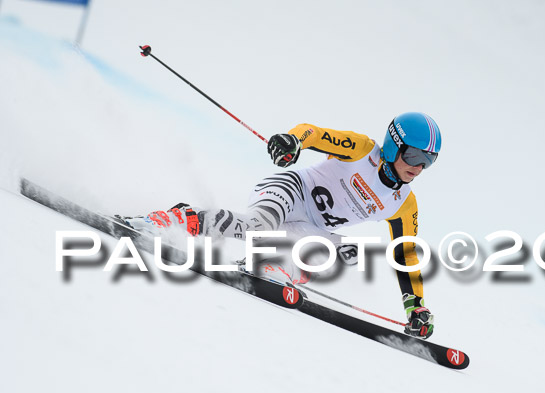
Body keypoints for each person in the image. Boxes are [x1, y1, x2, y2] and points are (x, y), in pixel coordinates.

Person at [124, 112, 441, 339]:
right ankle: (175, 219)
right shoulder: (362, 150)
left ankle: (272, 264)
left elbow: (406, 255)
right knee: (258, 226)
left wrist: (416, 308)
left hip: (310, 228)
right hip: (290, 191)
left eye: (428, 161)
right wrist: (293, 141)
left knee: (351, 252)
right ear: (393, 146)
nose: (418, 168)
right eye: (414, 155)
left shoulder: (404, 204)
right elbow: (314, 133)